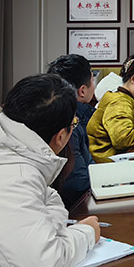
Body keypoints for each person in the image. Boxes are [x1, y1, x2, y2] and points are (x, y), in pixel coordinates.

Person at [0, 74, 100, 267]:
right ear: (61, 137)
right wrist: (87, 233)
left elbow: (48, 202)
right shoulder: (14, 175)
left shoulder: (1, 146)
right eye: (74, 123)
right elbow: (40, 266)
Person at [47, 54, 96, 208]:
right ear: (82, 90)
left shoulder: (78, 116)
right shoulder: (69, 122)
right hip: (71, 207)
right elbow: (77, 184)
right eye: (93, 81)